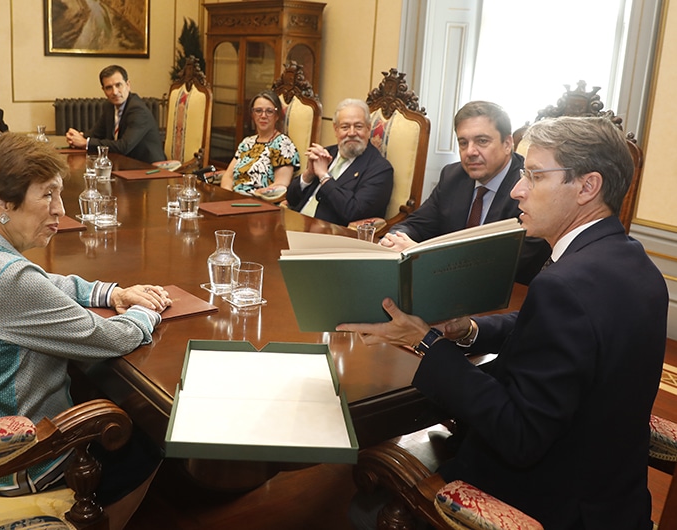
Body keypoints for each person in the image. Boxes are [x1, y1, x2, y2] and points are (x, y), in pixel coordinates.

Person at [339, 117, 667, 529]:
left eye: (533, 174)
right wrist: (469, 330)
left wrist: (426, 342)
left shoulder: (563, 287)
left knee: (362, 505)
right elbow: (555, 329)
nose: (517, 190)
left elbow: (519, 437)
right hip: (613, 495)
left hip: (548, 503)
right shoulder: (633, 263)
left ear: (587, 187)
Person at [0, 134, 170, 529]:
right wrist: (146, 311)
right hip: (1, 460)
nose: (59, 211)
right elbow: (110, 340)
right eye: (47, 195)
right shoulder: (8, 278)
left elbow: (39, 284)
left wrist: (110, 292)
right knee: (149, 437)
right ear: (1, 203)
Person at [381, 101, 549, 284]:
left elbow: (507, 264)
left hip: (507, 296)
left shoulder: (530, 185)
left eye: (482, 141)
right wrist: (393, 240)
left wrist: (424, 255)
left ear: (507, 144)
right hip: (447, 286)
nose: (470, 152)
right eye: (463, 143)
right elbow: (417, 223)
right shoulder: (453, 176)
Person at [286, 98, 393, 225]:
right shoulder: (326, 154)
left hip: (331, 235)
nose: (352, 133)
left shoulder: (380, 169)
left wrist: (324, 177)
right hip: (296, 223)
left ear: (368, 129)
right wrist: (308, 174)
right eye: (345, 127)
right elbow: (291, 199)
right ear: (336, 130)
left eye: (358, 126)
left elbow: (353, 211)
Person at [65, 65, 166, 164]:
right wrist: (77, 136)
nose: (115, 92)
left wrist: (85, 143)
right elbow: (96, 133)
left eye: (118, 85)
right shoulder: (109, 106)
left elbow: (123, 146)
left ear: (128, 85)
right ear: (103, 90)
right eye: (109, 87)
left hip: (148, 169)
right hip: (125, 164)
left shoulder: (138, 110)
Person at [220, 90, 300, 195]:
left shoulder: (283, 144)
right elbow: (228, 176)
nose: (263, 116)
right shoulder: (247, 142)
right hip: (234, 199)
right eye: (258, 110)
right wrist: (227, 194)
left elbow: (281, 185)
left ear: (277, 115)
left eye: (269, 111)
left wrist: (255, 196)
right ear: (252, 114)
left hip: (260, 202)